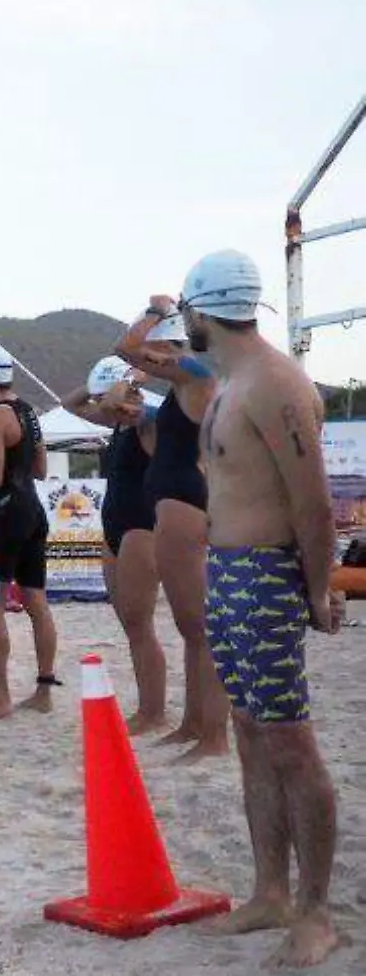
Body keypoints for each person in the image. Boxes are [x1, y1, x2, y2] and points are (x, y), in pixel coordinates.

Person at [176, 249, 341, 967]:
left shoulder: (275, 383)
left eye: (184, 312)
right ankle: (271, 889)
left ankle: (316, 910)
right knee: (250, 730)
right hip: (232, 572)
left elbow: (314, 502)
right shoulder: (229, 382)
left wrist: (316, 586)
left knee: (290, 742)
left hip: (268, 575)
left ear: (200, 311)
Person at [118, 294, 226, 760]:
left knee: (199, 626)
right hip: (173, 500)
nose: (154, 360)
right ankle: (191, 724)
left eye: (160, 353)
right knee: (188, 625)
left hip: (184, 502)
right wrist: (134, 380)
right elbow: (117, 395)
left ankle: (214, 736)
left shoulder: (194, 373)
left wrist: (157, 309)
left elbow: (126, 345)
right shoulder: (182, 385)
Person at [61, 355, 168, 733]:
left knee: (141, 624)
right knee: (128, 623)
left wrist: (129, 380)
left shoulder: (148, 421)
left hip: (142, 524)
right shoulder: (120, 423)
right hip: (114, 523)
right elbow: (70, 404)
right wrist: (104, 380)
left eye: (109, 399)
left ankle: (154, 712)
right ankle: (147, 707)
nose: (104, 407)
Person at [0, 346, 59, 718]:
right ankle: (44, 690)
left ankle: (1, 696)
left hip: (7, 511)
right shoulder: (29, 413)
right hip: (33, 509)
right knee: (37, 603)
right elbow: (40, 469)